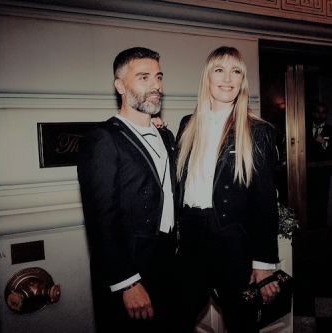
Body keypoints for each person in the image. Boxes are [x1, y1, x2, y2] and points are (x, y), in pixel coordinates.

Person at [173, 46, 281, 333]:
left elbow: (265, 202)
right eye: (219, 70)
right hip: (192, 236)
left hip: (233, 239)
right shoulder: (187, 125)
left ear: (242, 81)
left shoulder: (258, 131)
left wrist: (264, 264)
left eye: (236, 71)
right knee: (178, 314)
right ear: (207, 78)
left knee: (240, 321)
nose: (228, 78)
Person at [77, 47, 176, 333]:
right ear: (120, 85)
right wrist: (128, 283)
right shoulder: (102, 139)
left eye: (158, 77)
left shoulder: (166, 136)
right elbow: (100, 220)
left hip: (167, 265)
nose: (156, 85)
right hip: (129, 269)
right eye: (143, 77)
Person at [306, 102, 332, 229]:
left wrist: (324, 142)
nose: (320, 114)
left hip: (323, 175)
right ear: (313, 113)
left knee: (322, 204)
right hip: (307, 174)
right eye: (318, 111)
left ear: (326, 115)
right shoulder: (304, 128)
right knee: (308, 204)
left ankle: (321, 233)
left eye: (323, 112)